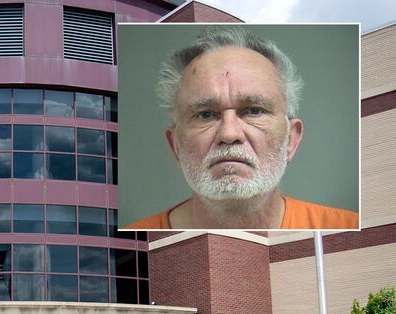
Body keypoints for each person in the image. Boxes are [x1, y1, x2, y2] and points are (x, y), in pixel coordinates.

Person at [126, 28, 358, 230]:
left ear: (291, 139)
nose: (229, 134)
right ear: (176, 146)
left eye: (253, 111)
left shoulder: (345, 226)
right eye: (205, 114)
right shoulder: (137, 232)